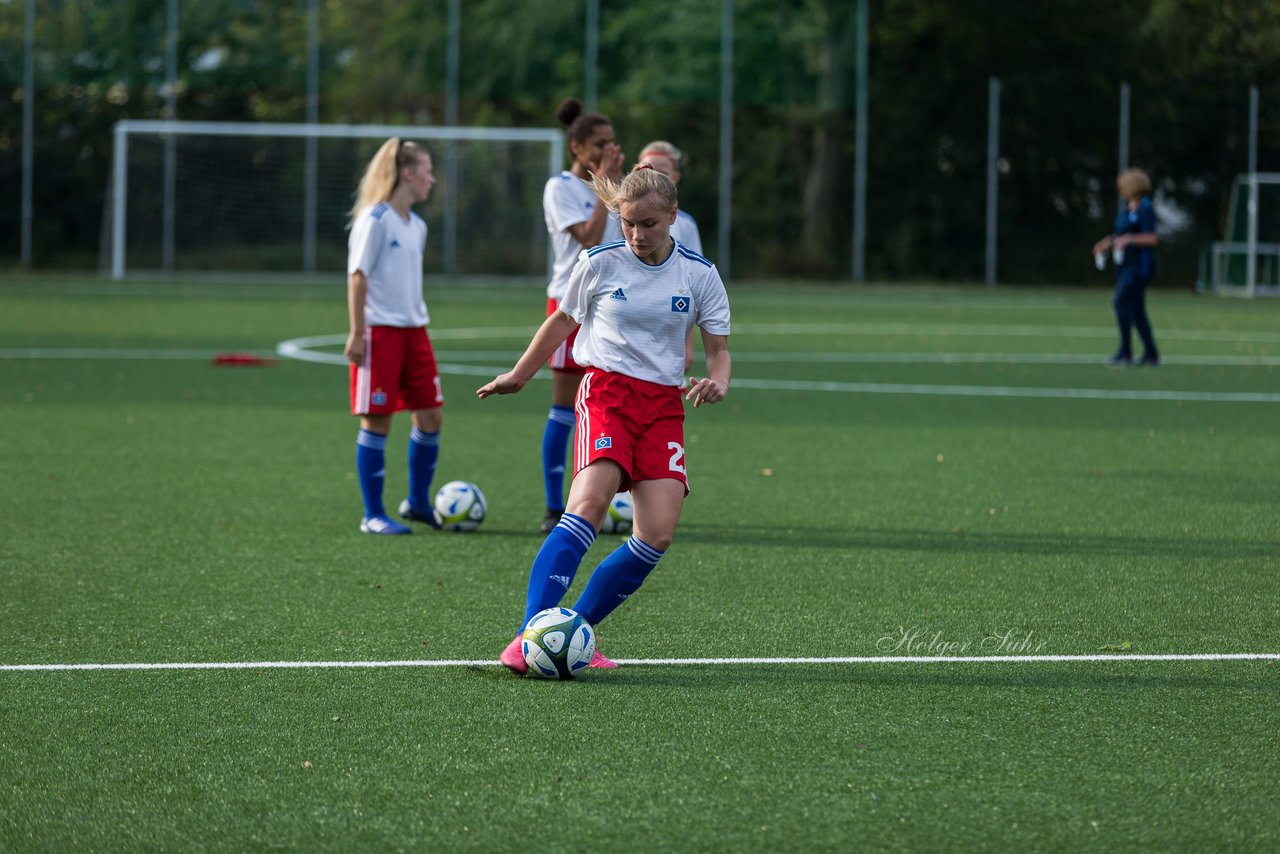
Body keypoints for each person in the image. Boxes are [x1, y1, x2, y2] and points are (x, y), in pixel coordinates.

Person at [477, 163, 732, 673]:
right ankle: (530, 636)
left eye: (649, 224)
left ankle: (576, 628)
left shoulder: (699, 274)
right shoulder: (598, 262)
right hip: (608, 394)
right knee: (590, 503)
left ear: (673, 218)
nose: (637, 234)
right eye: (628, 223)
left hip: (662, 407)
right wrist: (519, 374)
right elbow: (560, 322)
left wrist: (718, 381)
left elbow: (718, 350)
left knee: (656, 534)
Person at [345, 137, 445, 534]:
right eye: (427, 171)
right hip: (379, 334)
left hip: (414, 332)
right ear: (407, 174)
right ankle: (372, 515)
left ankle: (418, 501)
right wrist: (357, 332)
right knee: (378, 421)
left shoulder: (416, 226)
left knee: (431, 415)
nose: (432, 180)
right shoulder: (375, 219)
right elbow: (358, 277)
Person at [638, 140, 705, 370]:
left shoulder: (685, 225)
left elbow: (692, 286)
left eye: (662, 173)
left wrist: (687, 344)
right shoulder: (620, 219)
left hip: (668, 334)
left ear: (675, 177)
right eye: (648, 171)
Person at [1093, 168, 1160, 367]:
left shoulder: (1145, 208)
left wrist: (1130, 239)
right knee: (1137, 310)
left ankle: (1125, 351)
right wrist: (1107, 243)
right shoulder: (1127, 208)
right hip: (1124, 266)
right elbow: (1121, 234)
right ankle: (1151, 354)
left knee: (1121, 302)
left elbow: (1152, 238)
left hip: (1139, 266)